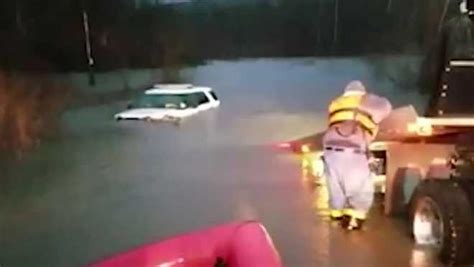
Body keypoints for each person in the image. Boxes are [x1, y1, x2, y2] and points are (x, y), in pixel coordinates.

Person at [322, 80, 392, 230]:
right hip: (352, 152)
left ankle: (336, 219)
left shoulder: (335, 103)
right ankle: (353, 221)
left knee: (336, 186)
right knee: (361, 189)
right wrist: (369, 98)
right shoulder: (367, 102)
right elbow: (387, 107)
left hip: (330, 150)